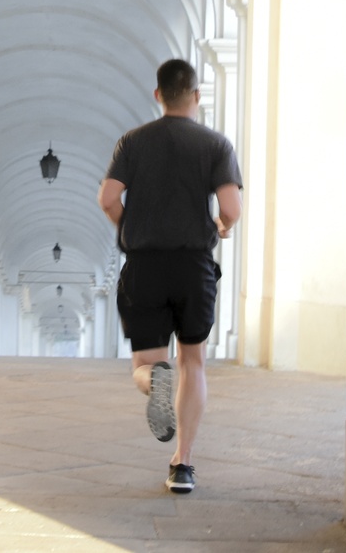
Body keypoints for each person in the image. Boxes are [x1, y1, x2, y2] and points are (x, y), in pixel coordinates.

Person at [97, 58, 242, 495]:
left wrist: (130, 226)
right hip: (193, 265)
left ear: (158, 95)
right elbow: (231, 208)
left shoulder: (133, 142)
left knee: (147, 362)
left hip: (145, 265)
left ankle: (153, 379)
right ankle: (183, 464)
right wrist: (221, 227)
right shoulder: (216, 145)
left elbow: (107, 199)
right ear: (196, 96)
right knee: (193, 361)